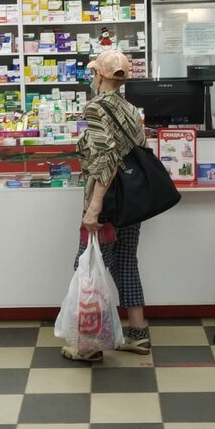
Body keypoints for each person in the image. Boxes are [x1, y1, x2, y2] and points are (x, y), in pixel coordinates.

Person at [63, 49, 150, 362]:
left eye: (93, 72)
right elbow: (138, 149)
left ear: (99, 75)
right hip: (130, 201)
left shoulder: (96, 107)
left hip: (106, 202)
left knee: (87, 267)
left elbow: (107, 159)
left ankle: (89, 344)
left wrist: (95, 206)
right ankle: (138, 334)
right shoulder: (130, 108)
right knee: (126, 263)